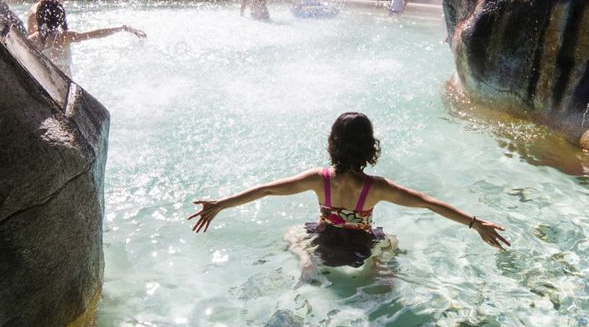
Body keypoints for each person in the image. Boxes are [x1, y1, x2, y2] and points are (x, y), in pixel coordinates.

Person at [188, 111, 510, 266]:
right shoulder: (376, 188)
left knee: (293, 235)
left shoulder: (319, 179)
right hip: (360, 249)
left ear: (332, 143)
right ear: (370, 147)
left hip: (324, 241)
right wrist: (474, 223)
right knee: (391, 246)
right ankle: (382, 282)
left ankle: (306, 265)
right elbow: (427, 202)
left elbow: (267, 191)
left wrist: (220, 204)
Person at [27, 0, 145, 69]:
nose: (60, 0)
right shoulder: (61, 33)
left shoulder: (45, 34)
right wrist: (122, 28)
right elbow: (95, 34)